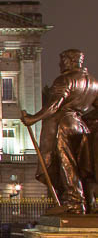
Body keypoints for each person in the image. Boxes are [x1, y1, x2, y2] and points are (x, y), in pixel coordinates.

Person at [22, 49, 98, 214]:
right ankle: (90, 204)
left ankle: (74, 202)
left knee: (67, 163)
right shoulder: (93, 82)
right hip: (81, 125)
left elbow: (54, 106)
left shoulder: (65, 79)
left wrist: (32, 118)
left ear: (71, 61)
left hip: (62, 124)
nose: (59, 64)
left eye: (62, 60)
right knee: (83, 166)